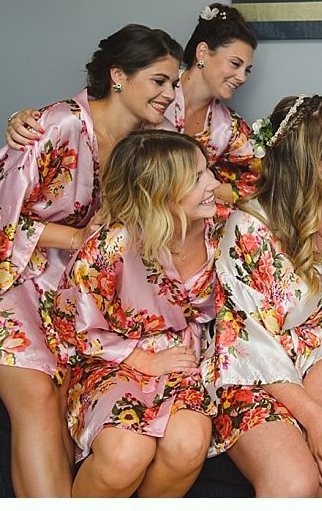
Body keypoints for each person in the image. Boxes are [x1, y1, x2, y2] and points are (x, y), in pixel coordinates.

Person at [0, 24, 181, 496]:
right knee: (36, 396)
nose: (169, 93)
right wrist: (81, 237)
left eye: (173, 83)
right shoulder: (56, 125)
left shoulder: (143, 135)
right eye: (159, 80)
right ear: (118, 75)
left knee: (61, 387)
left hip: (44, 272)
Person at [205, 94, 322, 497]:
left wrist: (316, 398)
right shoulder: (248, 227)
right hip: (254, 375)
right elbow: (246, 339)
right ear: (315, 160)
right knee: (292, 480)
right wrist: (312, 419)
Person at [53, 130, 224, 497]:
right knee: (126, 454)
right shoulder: (111, 245)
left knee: (189, 444)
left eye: (207, 170)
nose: (213, 183)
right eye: (197, 178)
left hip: (185, 357)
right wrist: (142, 359)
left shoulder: (223, 229)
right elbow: (71, 325)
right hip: (113, 359)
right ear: (160, 191)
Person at [7, 2, 260, 204]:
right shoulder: (137, 95)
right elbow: (96, 108)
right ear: (202, 53)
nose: (241, 77)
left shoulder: (226, 127)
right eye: (235, 64)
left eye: (247, 70)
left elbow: (261, 177)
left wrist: (204, 191)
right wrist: (26, 120)